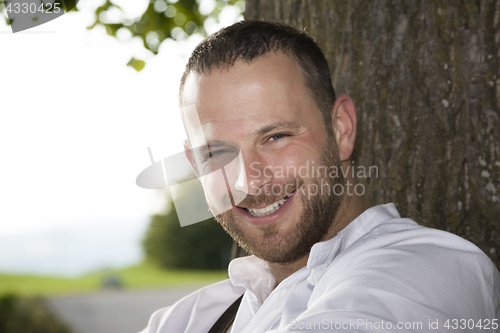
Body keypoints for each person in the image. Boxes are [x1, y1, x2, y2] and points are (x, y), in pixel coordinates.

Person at [140, 20, 500, 333]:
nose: (247, 183)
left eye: (276, 137)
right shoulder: (192, 318)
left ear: (341, 129)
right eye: (217, 153)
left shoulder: (428, 271)